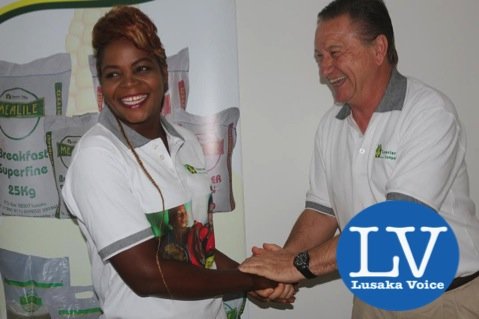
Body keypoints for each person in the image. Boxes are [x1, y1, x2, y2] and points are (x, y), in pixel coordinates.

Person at [239, 0, 479, 317]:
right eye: (319, 58)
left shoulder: (429, 113)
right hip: (371, 301)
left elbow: (398, 227)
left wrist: (296, 266)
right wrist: (280, 267)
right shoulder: (331, 126)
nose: (325, 70)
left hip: (444, 300)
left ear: (379, 49)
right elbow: (321, 213)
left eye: (335, 53)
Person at [61, 6, 293, 319]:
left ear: (164, 74)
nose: (129, 85)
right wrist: (250, 279)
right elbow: (146, 275)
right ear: (102, 85)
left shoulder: (186, 141)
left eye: (141, 68)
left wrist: (250, 275)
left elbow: (196, 247)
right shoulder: (97, 155)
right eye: (113, 74)